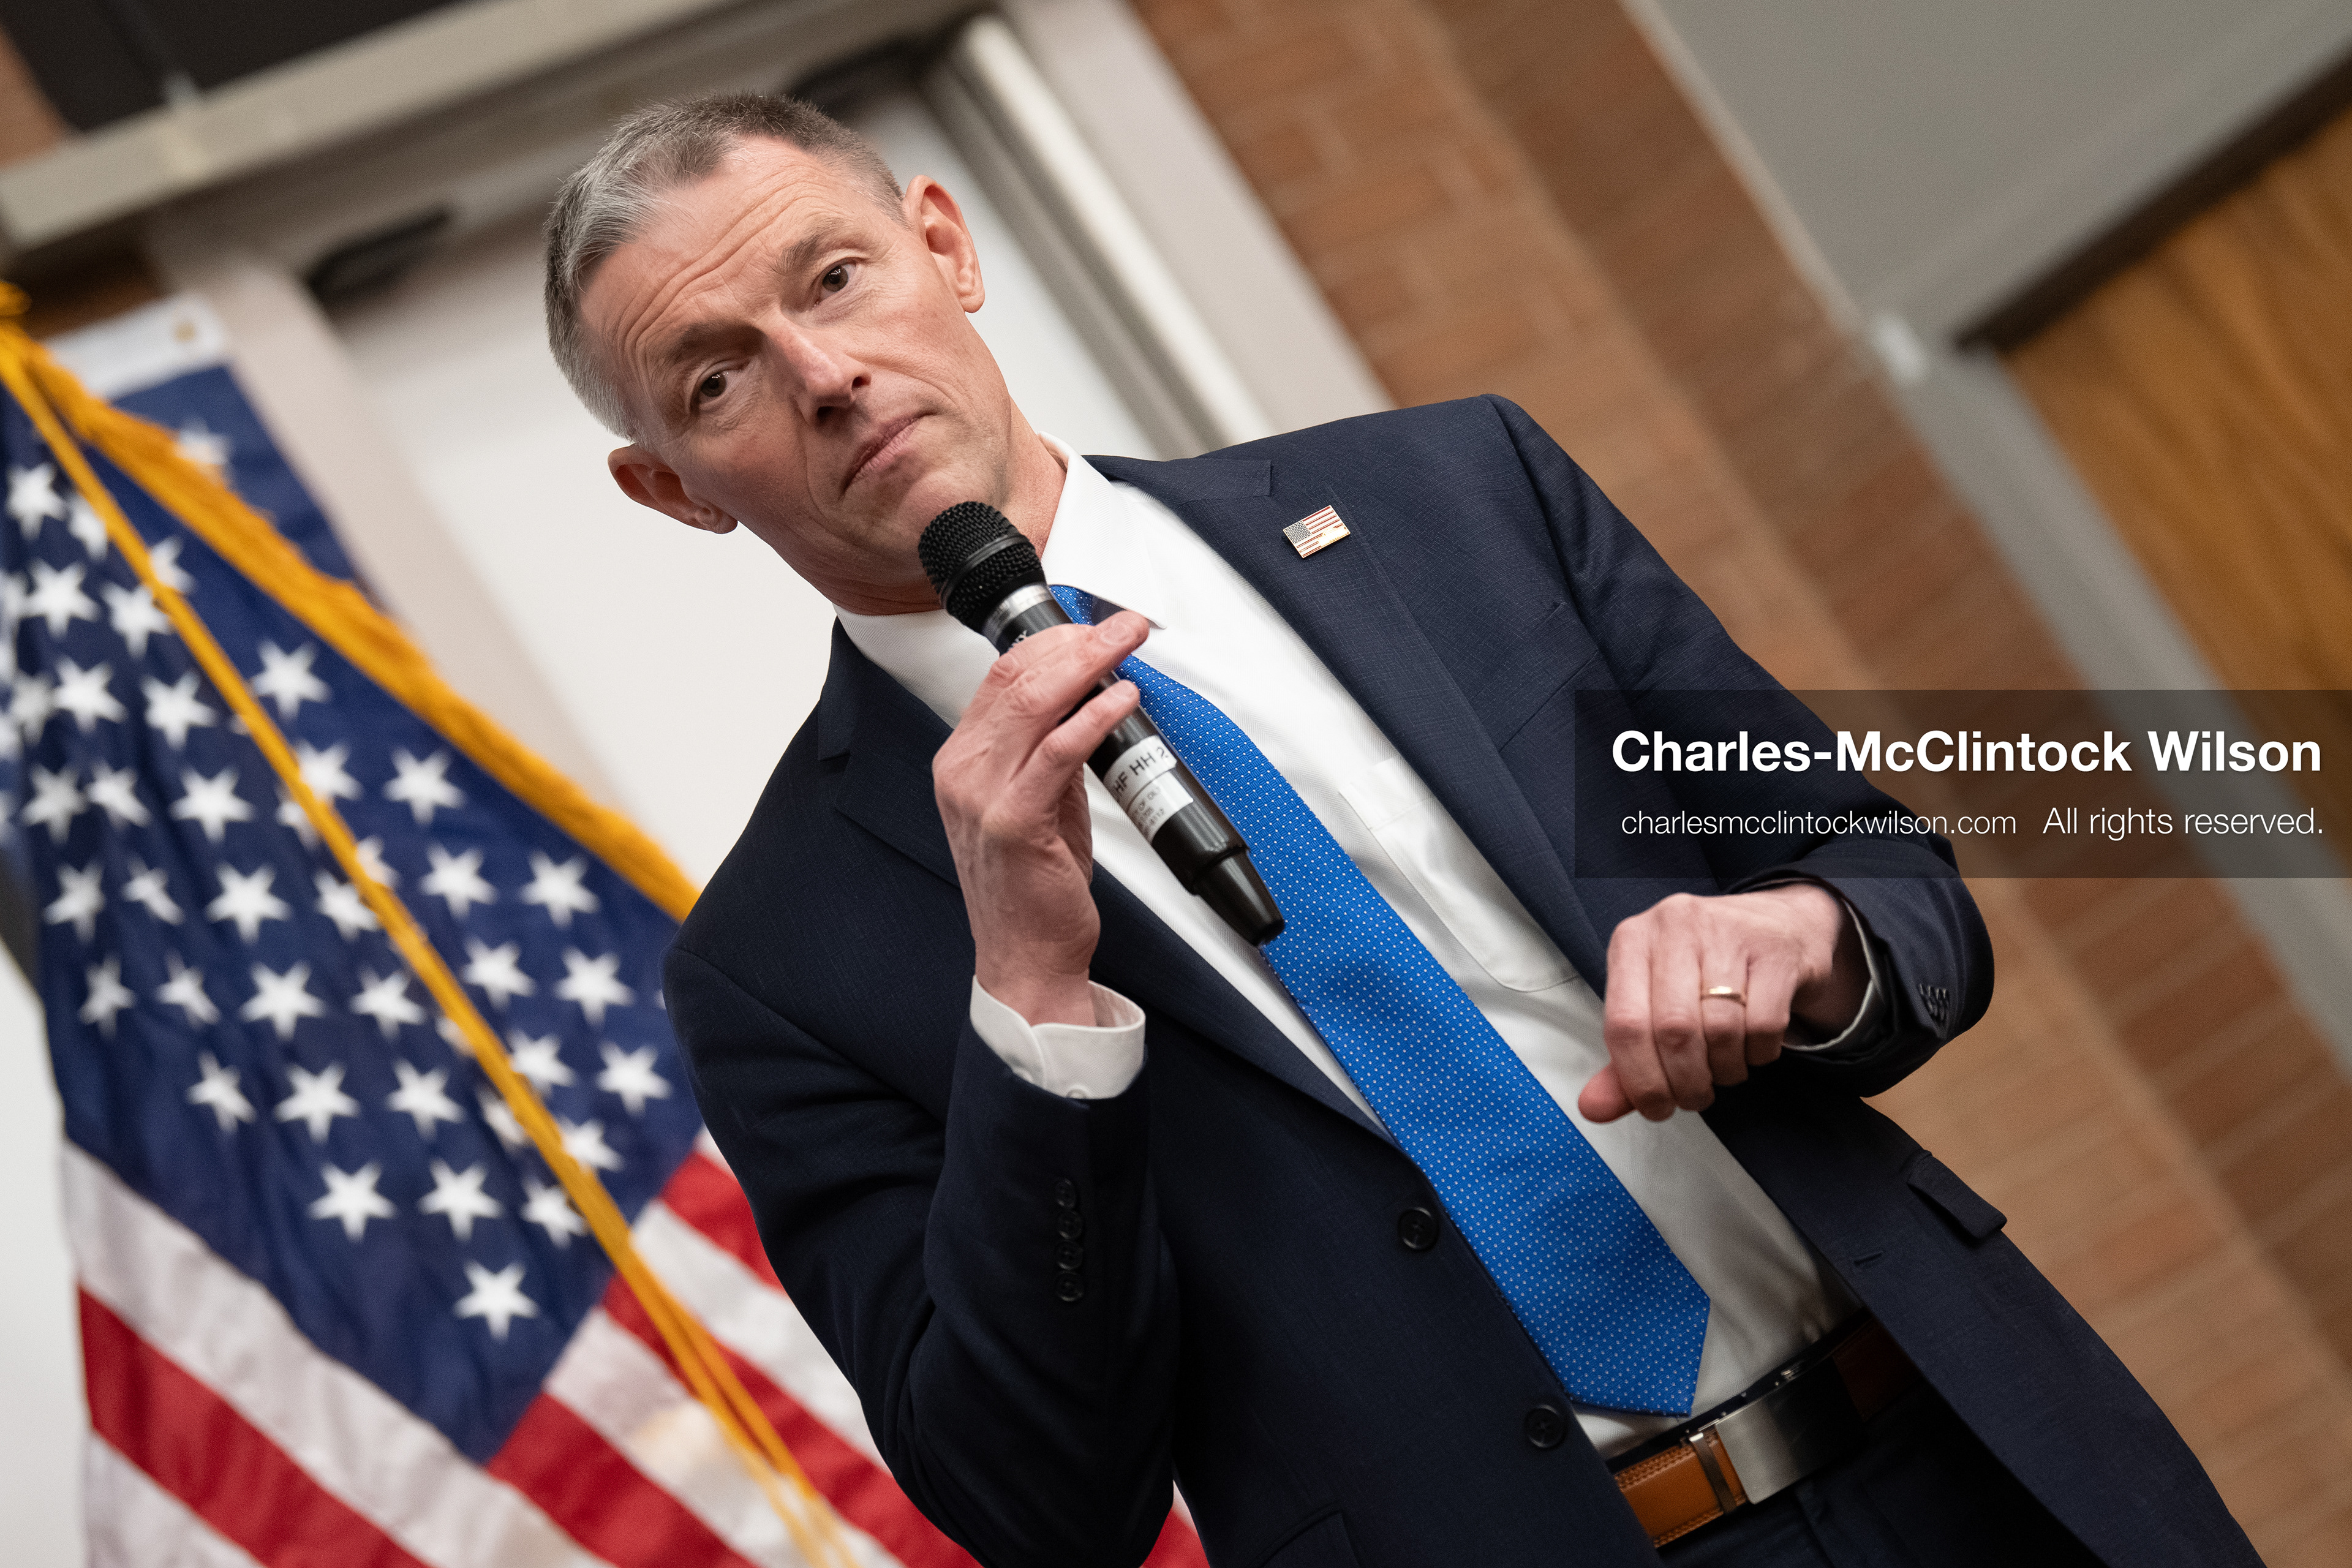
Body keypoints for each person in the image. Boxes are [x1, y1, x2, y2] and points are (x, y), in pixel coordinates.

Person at [544, 93, 2255, 1567]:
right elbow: (1033, 1496)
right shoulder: (778, 961)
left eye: (834, 279)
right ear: (674, 490)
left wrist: (1805, 942)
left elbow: (1899, 889)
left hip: (1974, 1449)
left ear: (946, 243)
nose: (828, 375)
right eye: (716, 382)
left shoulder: (1455, 510)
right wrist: (1031, 1007)